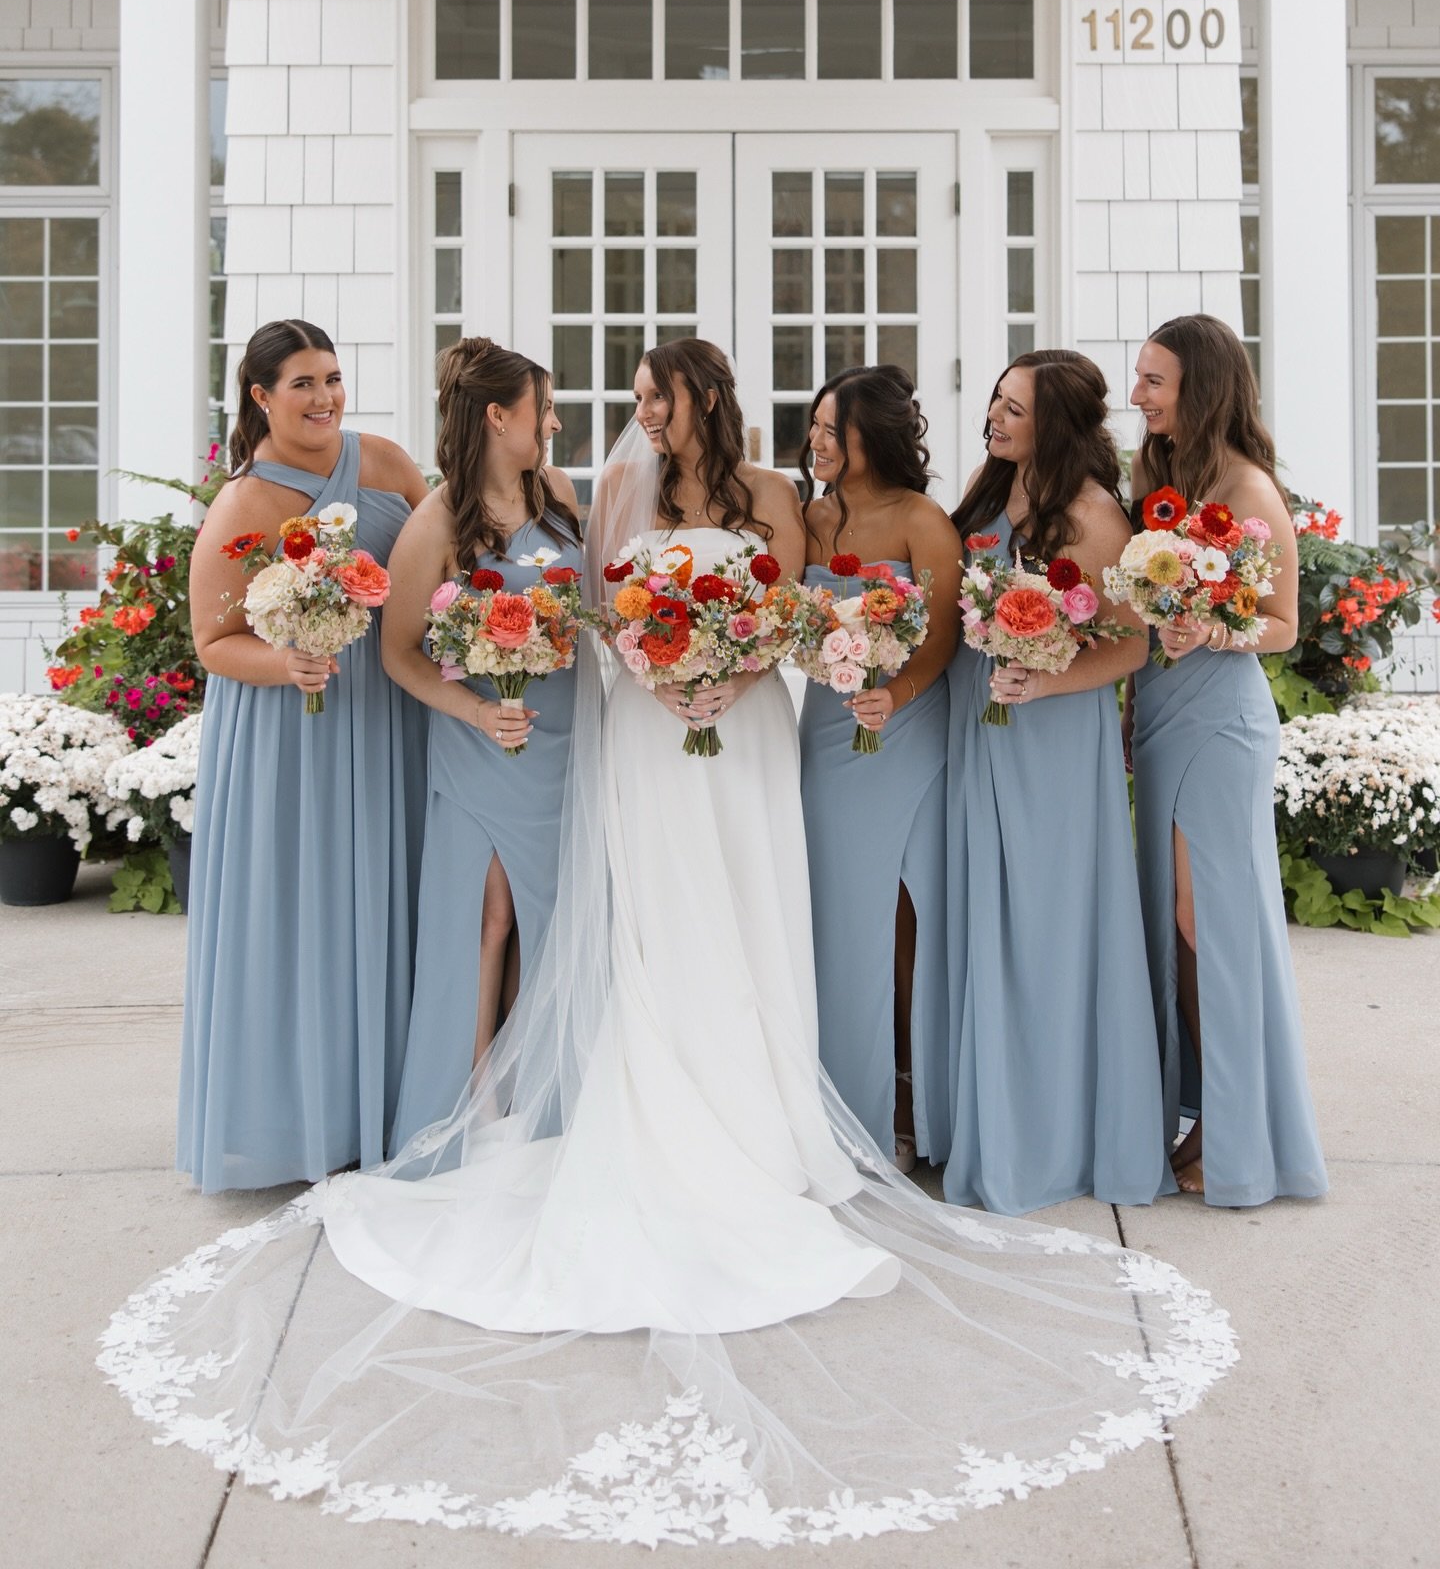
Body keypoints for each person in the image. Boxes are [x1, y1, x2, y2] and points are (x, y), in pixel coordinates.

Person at [107, 342, 1233, 1544]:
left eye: (655, 395)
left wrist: (731, 669)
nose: (636, 413)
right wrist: (659, 677)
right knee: (649, 912)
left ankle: (755, 1111)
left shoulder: (767, 496)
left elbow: (794, 608)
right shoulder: (602, 495)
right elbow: (597, 614)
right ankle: (631, 1097)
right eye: (626, 399)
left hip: (746, 736)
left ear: (699, 399)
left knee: (748, 909)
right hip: (647, 731)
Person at [178, 319, 429, 1193]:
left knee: (393, 900)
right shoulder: (244, 504)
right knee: (310, 911)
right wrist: (286, 662)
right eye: (302, 384)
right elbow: (212, 640)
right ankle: (303, 1116)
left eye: (332, 377)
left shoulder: (389, 462)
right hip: (297, 732)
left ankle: (396, 1104)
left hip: (393, 714)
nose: (324, 397)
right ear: (260, 397)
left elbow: (444, 561)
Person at [945, 350, 1168, 1214]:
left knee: (1050, 926)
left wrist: (1043, 678)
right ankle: (993, 1121)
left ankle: (1060, 1135)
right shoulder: (991, 486)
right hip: (981, 720)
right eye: (996, 402)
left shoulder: (1092, 513)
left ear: (1058, 424)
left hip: (1053, 734)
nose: (995, 419)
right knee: (988, 919)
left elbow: (1130, 642)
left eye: (1014, 409)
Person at [1127, 314, 1327, 1205]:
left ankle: (1233, 1129)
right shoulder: (1160, 478)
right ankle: (1200, 1106)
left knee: (1205, 921)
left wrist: (1212, 623)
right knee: (1176, 927)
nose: (1138, 396)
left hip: (1223, 720)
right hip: (1166, 710)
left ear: (1199, 389)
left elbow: (1284, 626)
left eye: (1154, 381)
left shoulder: (1248, 490)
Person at [382, 339, 583, 1151]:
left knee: (557, 916)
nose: (556, 422)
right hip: (483, 744)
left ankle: (548, 1092)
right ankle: (466, 1113)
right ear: (500, 416)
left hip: (567, 738)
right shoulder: (435, 522)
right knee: (488, 919)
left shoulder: (560, 493)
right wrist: (472, 714)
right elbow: (398, 653)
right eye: (544, 408)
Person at [798, 365, 961, 1173]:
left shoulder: (921, 520)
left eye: (834, 430)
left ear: (875, 438)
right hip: (828, 732)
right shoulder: (810, 519)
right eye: (816, 427)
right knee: (836, 918)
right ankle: (842, 1105)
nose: (818, 442)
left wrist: (892, 693)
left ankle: (908, 1098)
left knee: (901, 917)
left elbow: (940, 641)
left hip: (902, 730)